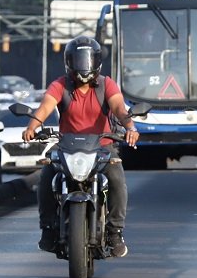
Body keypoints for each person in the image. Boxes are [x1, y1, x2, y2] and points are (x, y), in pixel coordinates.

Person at [23, 35, 139, 258]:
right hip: (66, 147)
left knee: (116, 179)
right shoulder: (60, 85)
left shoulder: (107, 84)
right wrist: (32, 126)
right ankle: (48, 229)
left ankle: (115, 232)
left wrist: (130, 127)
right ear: (69, 62)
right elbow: (46, 106)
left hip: (103, 147)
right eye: (78, 60)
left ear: (96, 62)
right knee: (46, 176)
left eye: (87, 60)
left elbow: (119, 108)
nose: (83, 66)